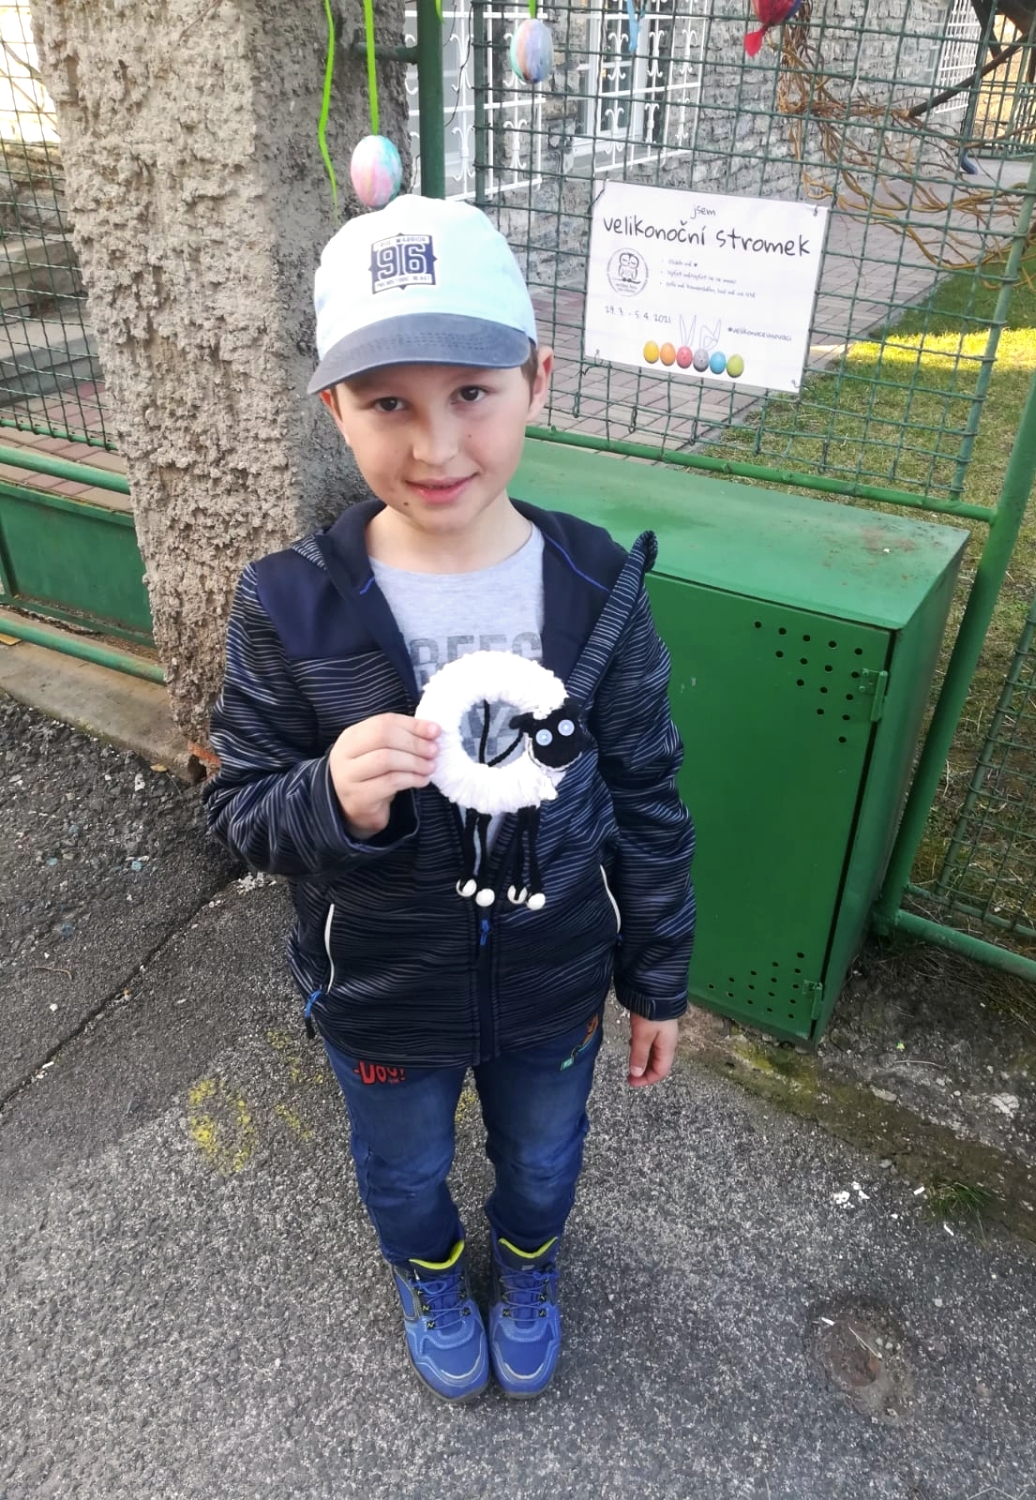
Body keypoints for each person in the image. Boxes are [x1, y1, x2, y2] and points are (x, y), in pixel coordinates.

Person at [203, 194, 695, 1403]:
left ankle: (528, 1262)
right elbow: (237, 811)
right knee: (403, 1167)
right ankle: (428, 1270)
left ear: (537, 380)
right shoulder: (289, 604)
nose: (435, 447)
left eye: (471, 392)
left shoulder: (596, 589)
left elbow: (646, 794)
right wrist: (331, 799)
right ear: (334, 408)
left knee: (546, 1150)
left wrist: (657, 980)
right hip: (382, 994)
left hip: (556, 978)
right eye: (388, 404)